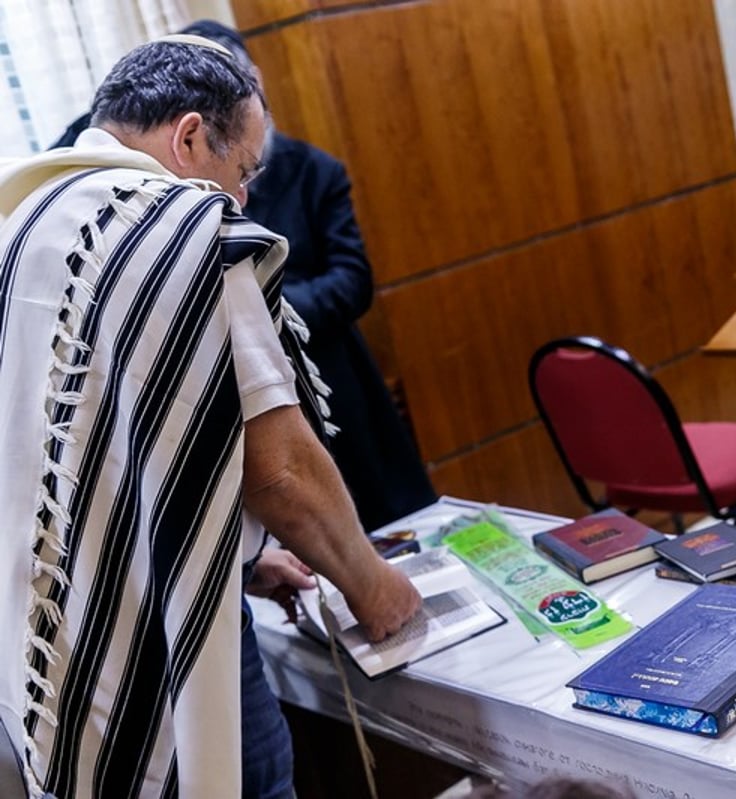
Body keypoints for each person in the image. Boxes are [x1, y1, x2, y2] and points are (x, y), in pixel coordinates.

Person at [0, 35, 421, 798]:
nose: (244, 199)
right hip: (161, 640)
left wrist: (241, 555)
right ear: (191, 137)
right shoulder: (185, 238)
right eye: (245, 170)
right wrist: (372, 587)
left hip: (43, 635)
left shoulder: (25, 223)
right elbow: (280, 469)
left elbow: (93, 435)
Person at [51, 19, 438, 532]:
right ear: (189, 134)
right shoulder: (103, 170)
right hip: (205, 391)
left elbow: (352, 279)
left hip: (323, 371)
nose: (241, 197)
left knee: (363, 521)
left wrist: (260, 315)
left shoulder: (312, 169)